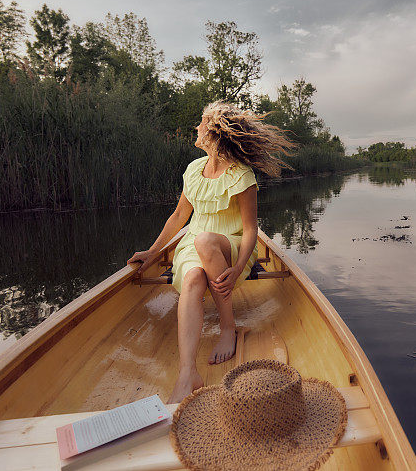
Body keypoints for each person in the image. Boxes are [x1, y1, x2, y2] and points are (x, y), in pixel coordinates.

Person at [127, 100, 297, 404]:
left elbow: (249, 230)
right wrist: (152, 254)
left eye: (201, 123)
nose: (196, 127)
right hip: (193, 244)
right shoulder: (193, 170)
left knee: (205, 241)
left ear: (215, 133)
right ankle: (187, 372)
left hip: (231, 247)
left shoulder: (242, 176)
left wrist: (240, 265)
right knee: (192, 278)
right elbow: (179, 217)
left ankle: (228, 327)